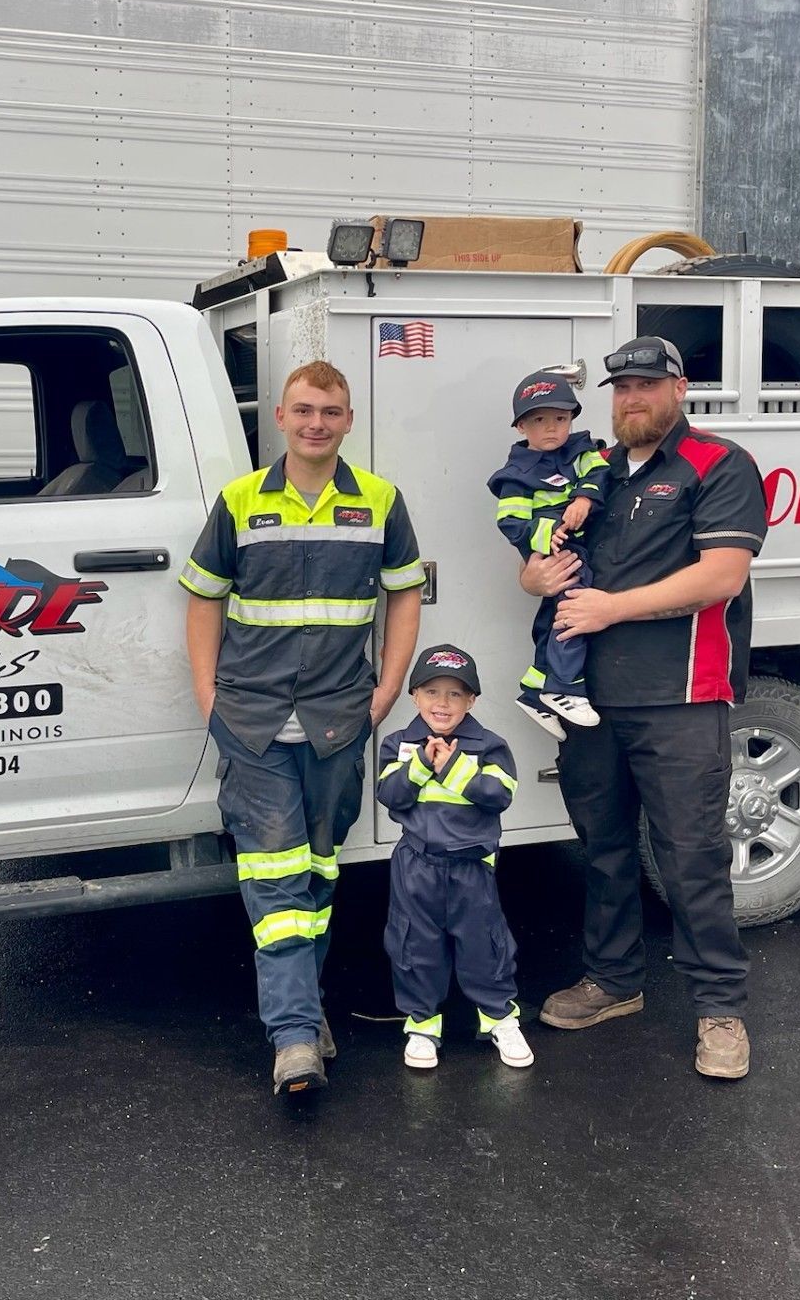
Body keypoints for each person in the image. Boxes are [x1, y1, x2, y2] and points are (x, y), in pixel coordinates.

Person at [522, 336, 768, 1080]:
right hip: (591, 701)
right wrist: (536, 577)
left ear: (680, 388)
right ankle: (614, 982)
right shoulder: (592, 474)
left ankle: (720, 1010)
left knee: (691, 858)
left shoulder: (718, 465)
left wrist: (611, 610)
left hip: (682, 697)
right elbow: (552, 562)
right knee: (602, 850)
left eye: (647, 386)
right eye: (621, 387)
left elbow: (721, 576)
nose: (633, 398)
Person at [180, 360, 426, 1097]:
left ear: (348, 421)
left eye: (331, 411)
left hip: (336, 720)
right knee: (275, 872)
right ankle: (292, 1037)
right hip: (251, 721)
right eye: (304, 410)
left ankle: (306, 1006)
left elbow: (405, 596)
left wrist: (384, 693)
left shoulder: (380, 502)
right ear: (280, 418)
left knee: (318, 870)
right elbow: (202, 601)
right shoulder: (240, 500)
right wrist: (208, 697)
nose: (317, 422)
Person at [376, 644, 532, 1071]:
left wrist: (454, 768)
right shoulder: (399, 743)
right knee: (415, 945)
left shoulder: (489, 745)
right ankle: (423, 1024)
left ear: (472, 701)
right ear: (414, 696)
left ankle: (500, 1018)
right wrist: (422, 765)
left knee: (484, 944)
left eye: (455, 695)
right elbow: (389, 796)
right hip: (416, 866)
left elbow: (499, 795)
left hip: (471, 867)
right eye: (431, 692)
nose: (442, 704)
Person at [486, 368, 614, 739]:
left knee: (550, 621)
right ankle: (566, 687)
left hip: (578, 542)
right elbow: (510, 522)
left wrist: (584, 497)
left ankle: (535, 693)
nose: (551, 428)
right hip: (558, 550)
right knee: (574, 610)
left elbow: (600, 473)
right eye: (539, 420)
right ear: (521, 427)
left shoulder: (581, 451)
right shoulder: (515, 474)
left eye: (560, 419)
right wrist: (549, 534)